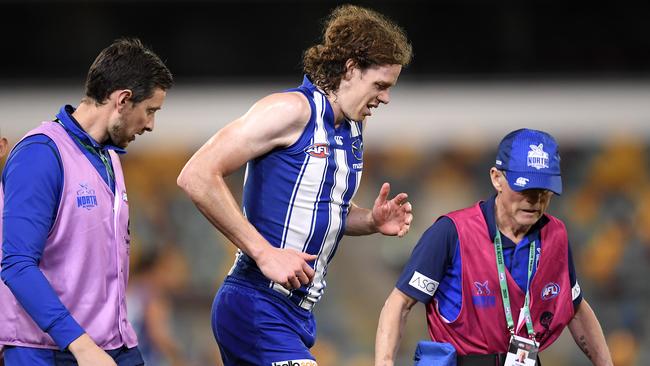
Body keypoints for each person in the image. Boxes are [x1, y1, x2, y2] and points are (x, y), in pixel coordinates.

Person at [177, 4, 413, 365]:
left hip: (296, 313)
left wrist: (370, 221)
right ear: (350, 69)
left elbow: (316, 207)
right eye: (380, 85)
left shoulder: (351, 129)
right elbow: (196, 175)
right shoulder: (290, 110)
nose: (385, 98)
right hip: (256, 303)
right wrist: (264, 252)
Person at [0, 38, 173, 366]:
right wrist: (80, 345)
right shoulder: (40, 154)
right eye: (150, 110)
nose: (150, 124)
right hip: (52, 351)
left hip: (114, 345)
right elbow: (17, 264)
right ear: (123, 100)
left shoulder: (109, 157)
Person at [375, 129, 613, 366]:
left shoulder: (556, 234)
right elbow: (399, 302)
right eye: (525, 189)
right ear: (497, 178)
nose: (534, 200)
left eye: (543, 191)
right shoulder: (452, 232)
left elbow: (575, 305)